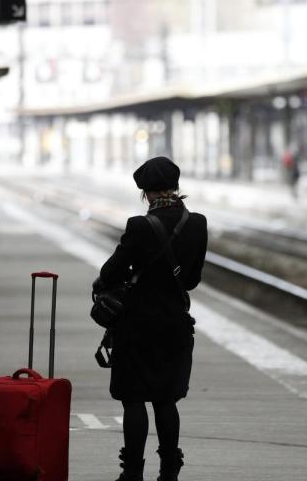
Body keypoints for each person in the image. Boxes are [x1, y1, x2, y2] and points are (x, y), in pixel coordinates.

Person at [95, 157, 208, 481]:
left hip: (136, 326)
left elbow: (109, 273)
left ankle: (132, 473)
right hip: (174, 324)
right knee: (165, 399)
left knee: (133, 399)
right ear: (175, 186)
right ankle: (169, 470)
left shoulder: (139, 225)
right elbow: (191, 281)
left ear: (145, 193)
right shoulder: (197, 223)